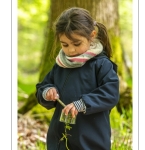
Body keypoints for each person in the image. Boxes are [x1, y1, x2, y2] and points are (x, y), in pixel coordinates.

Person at [35, 7, 119, 150]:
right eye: (65, 45)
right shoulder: (60, 65)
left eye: (77, 43)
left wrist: (83, 103)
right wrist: (47, 92)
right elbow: (42, 87)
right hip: (60, 138)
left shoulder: (101, 65)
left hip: (92, 139)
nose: (71, 50)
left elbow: (111, 93)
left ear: (92, 35)